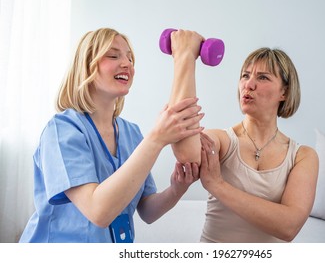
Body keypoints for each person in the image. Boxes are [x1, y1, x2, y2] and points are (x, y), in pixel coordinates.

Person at [19, 28, 204, 243]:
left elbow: (147, 210)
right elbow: (99, 212)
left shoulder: (131, 133)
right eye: (114, 55)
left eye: (130, 58)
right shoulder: (62, 131)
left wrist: (176, 189)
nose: (127, 64)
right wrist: (156, 139)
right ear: (86, 65)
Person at [168, 30, 319, 242]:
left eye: (263, 77)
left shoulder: (303, 156)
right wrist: (184, 58)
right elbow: (185, 152)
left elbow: (289, 226)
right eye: (245, 76)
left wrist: (218, 185)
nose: (248, 84)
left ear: (284, 92)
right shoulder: (221, 140)